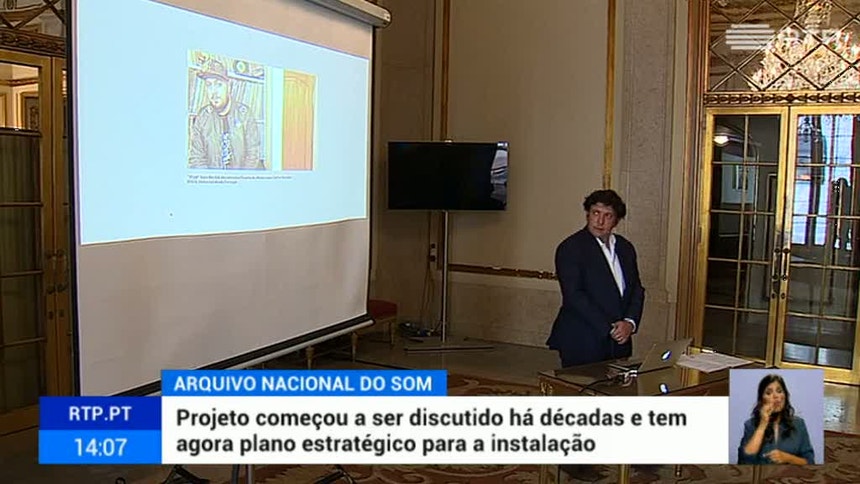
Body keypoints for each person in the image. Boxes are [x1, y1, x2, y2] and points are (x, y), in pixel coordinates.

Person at [546, 189, 645, 367]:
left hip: (619, 341)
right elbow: (574, 296)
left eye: (607, 215)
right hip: (582, 339)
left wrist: (630, 323)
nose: (600, 221)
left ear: (616, 220)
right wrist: (611, 328)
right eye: (596, 213)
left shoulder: (625, 248)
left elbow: (636, 289)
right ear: (588, 215)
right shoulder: (571, 248)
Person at [188, 59, 264, 170]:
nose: (214, 92)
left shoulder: (245, 115)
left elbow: (253, 156)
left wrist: (239, 179)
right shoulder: (202, 118)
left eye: (219, 84)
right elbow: (197, 158)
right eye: (209, 85)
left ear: (229, 87)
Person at [737, 374, 815, 465]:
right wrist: (763, 424)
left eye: (779, 391)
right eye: (768, 393)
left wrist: (789, 458)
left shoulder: (799, 423)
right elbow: (745, 460)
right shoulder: (750, 424)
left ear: (785, 396)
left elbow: (810, 462)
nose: (775, 396)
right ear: (762, 399)